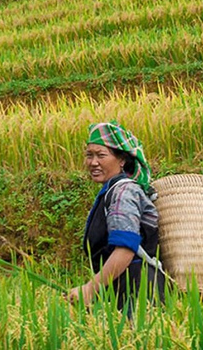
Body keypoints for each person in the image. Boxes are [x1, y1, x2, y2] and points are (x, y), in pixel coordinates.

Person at [67, 121, 165, 312]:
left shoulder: (124, 193)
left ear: (122, 160)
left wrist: (90, 288)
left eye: (101, 155)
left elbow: (125, 249)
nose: (93, 162)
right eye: (89, 155)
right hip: (125, 288)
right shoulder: (112, 191)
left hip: (139, 292)